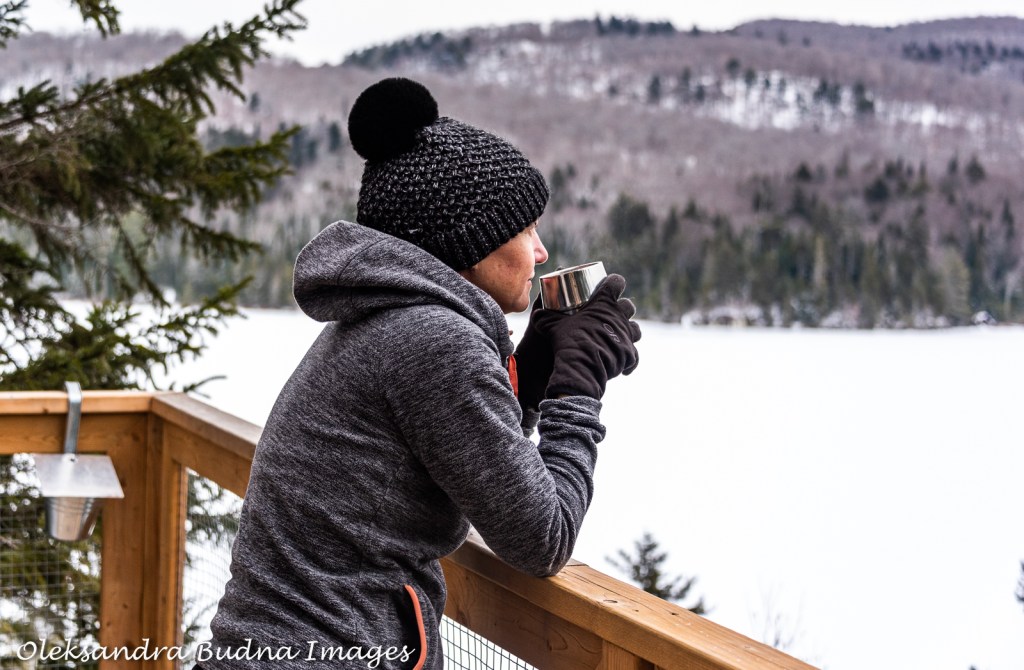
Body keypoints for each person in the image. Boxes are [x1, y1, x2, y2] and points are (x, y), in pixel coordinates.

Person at [200, 77, 641, 670]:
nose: (540, 253)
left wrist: (529, 375)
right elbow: (542, 538)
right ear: (472, 245)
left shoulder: (386, 322)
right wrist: (577, 390)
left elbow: (464, 455)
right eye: (527, 229)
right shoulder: (432, 340)